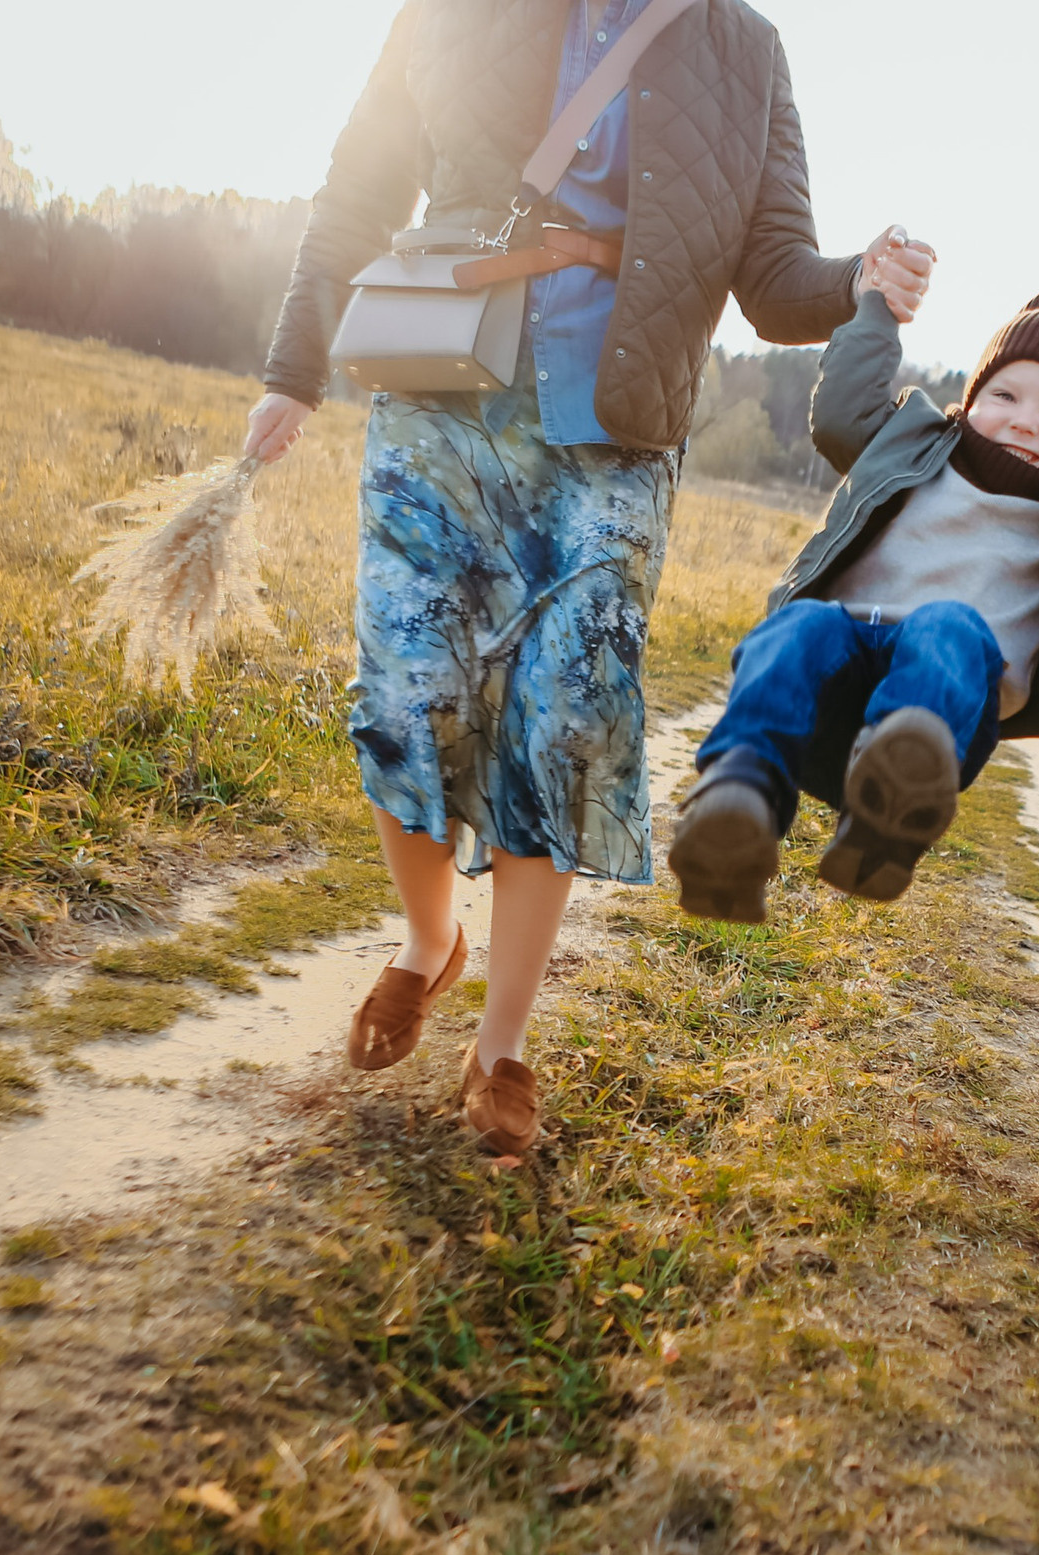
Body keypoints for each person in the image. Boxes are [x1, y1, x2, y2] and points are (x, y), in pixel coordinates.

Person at [242, 0, 933, 1159]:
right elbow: (356, 190)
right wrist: (293, 370)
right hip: (440, 392)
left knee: (561, 722)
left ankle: (500, 1043)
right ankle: (428, 942)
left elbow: (770, 278)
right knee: (409, 695)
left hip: (617, 427)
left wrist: (856, 277)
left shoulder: (744, 49)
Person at [669, 286, 1039, 919]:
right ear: (970, 399)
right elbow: (842, 411)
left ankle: (895, 797)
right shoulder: (914, 441)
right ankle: (738, 797)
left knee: (949, 624)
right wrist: (876, 304)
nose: (1024, 420)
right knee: (798, 625)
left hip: (945, 704)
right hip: (832, 682)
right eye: (1005, 395)